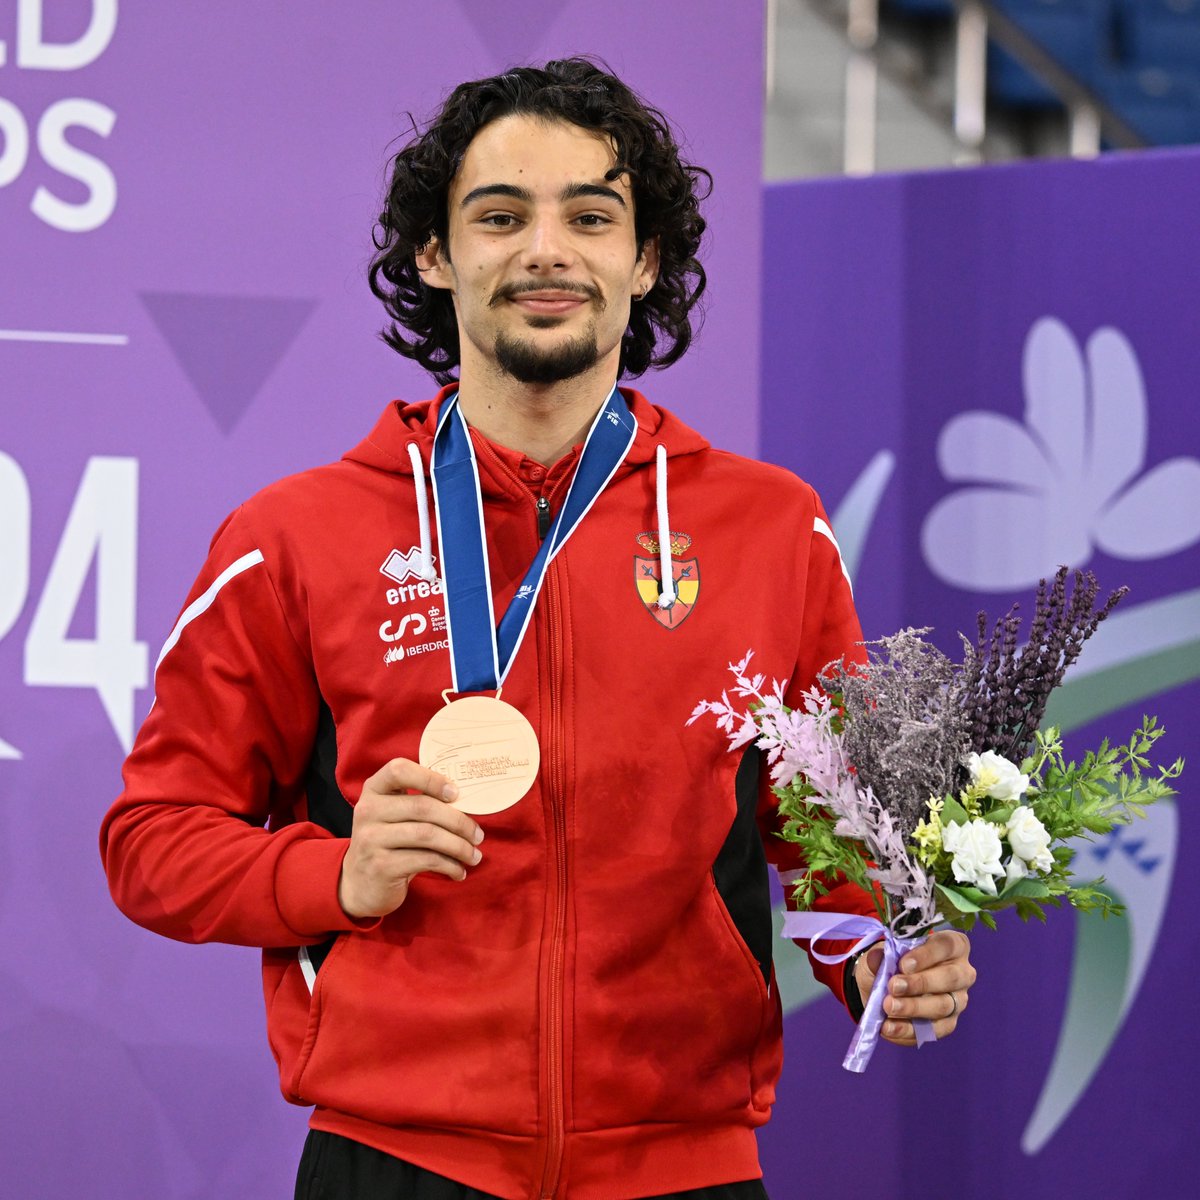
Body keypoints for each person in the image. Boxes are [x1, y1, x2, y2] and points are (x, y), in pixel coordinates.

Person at [101, 58, 975, 1200]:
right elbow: (152, 841)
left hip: (681, 1165)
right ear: (435, 253)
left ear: (645, 260)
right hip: (399, 1159)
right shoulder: (295, 536)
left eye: (592, 217)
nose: (547, 251)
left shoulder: (770, 528)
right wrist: (335, 874)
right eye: (501, 216)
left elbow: (826, 830)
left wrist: (876, 959)